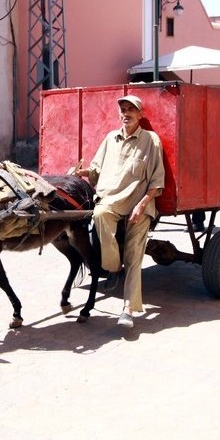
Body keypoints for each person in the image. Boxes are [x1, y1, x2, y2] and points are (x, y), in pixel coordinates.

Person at [73, 94, 165, 328]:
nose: (126, 113)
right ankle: (113, 268)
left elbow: (157, 181)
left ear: (140, 114)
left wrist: (142, 205)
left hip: (139, 204)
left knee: (134, 256)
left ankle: (127, 311)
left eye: (131, 110)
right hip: (111, 201)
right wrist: (80, 173)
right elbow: (95, 171)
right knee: (99, 214)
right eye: (123, 109)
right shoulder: (110, 139)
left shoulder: (150, 140)